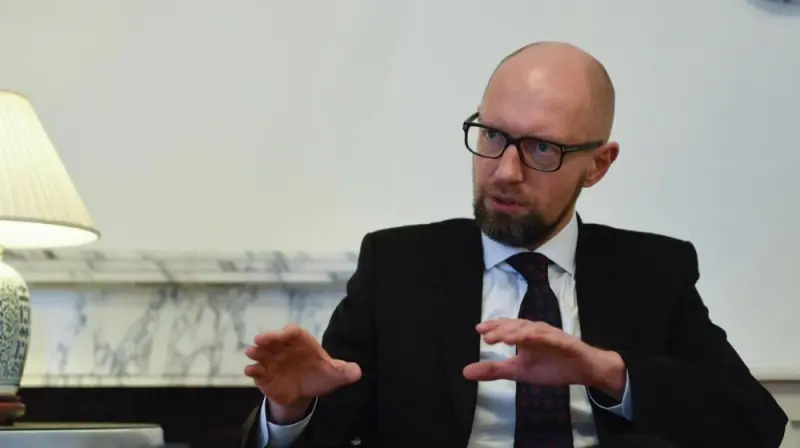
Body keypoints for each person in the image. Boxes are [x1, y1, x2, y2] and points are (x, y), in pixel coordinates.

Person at [240, 41, 788, 448]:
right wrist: (291, 409)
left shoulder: (653, 273)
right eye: (493, 135)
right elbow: (329, 431)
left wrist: (607, 372)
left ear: (598, 165)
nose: (504, 171)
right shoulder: (398, 266)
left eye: (542, 148)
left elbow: (755, 426)